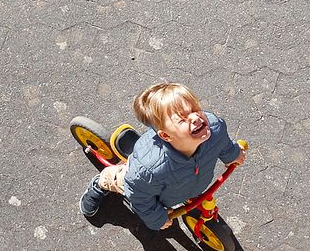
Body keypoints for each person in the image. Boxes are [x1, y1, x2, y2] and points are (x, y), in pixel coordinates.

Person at [79, 82, 246, 230]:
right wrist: (157, 218)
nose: (195, 117)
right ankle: (102, 182)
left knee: (181, 180)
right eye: (182, 120)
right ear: (165, 136)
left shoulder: (214, 127)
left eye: (195, 109)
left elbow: (223, 143)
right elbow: (140, 198)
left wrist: (233, 154)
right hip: (142, 178)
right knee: (121, 179)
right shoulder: (146, 172)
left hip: (185, 183)